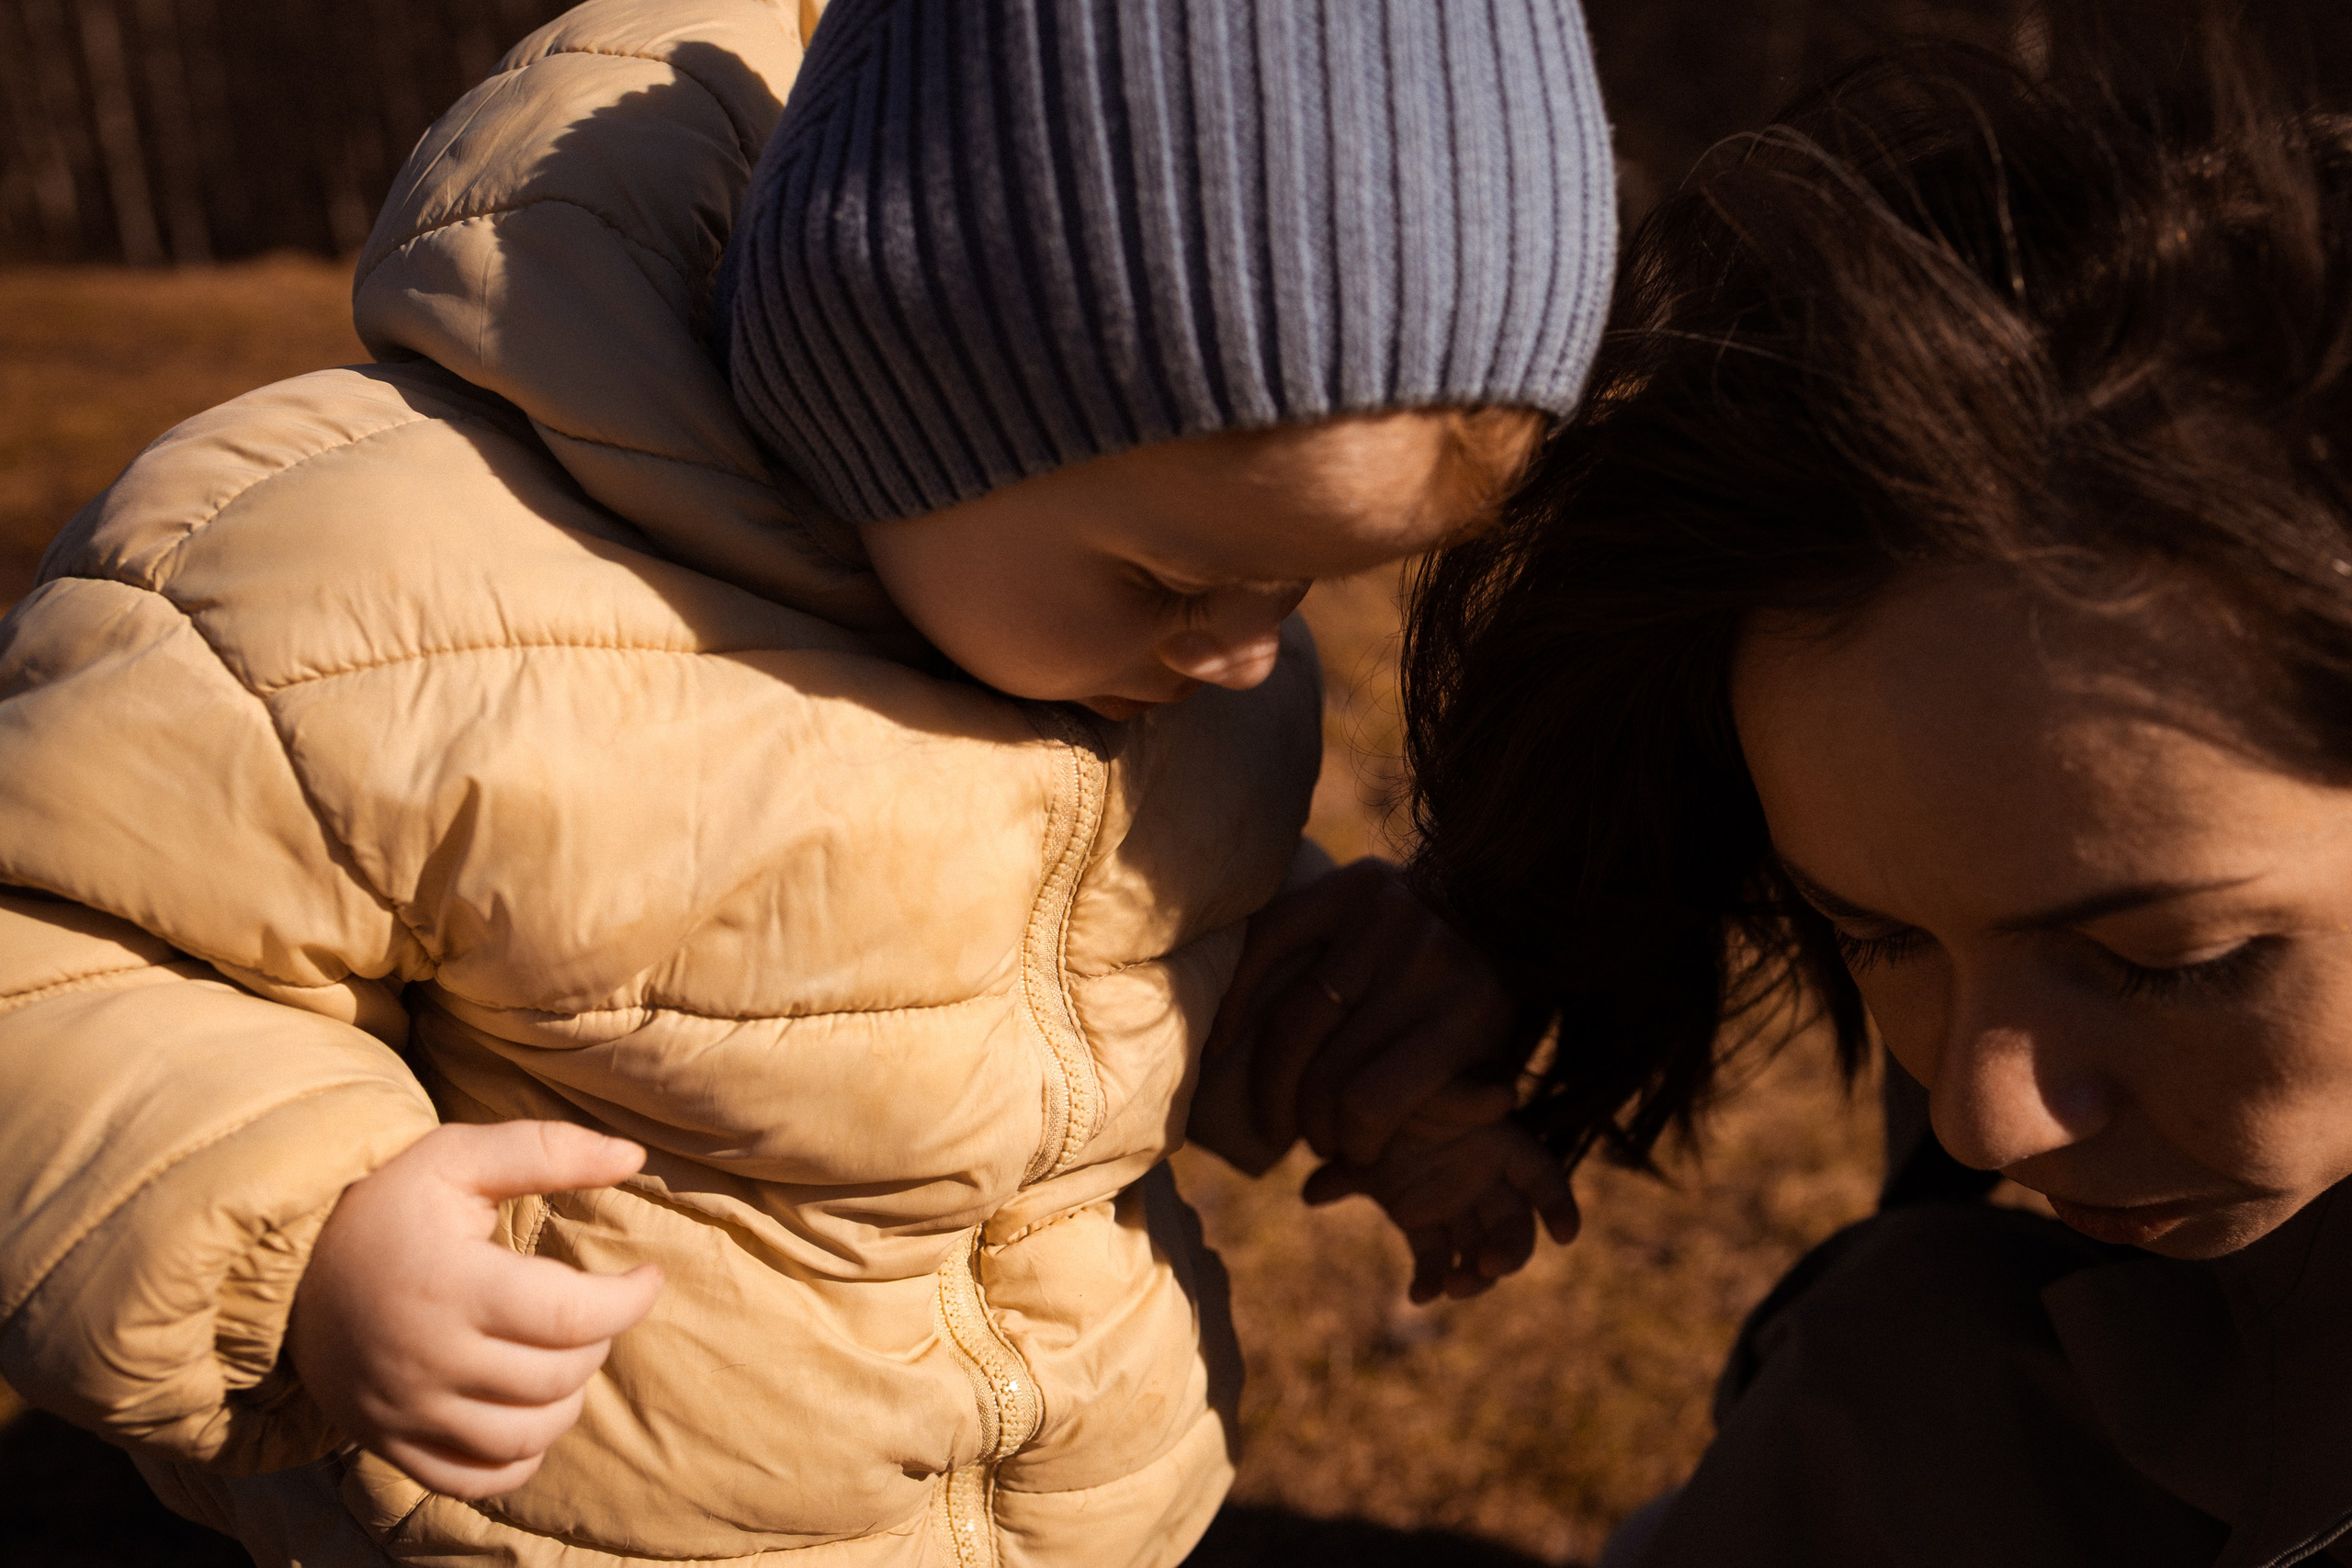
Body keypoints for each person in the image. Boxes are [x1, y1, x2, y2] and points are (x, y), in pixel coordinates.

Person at [0, 1, 1614, 1564]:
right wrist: (307, 1246)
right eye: (1177, 579)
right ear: (904, 394)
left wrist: (1369, 1066)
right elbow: (58, 962)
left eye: (1299, 590)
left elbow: (1127, 974)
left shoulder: (1131, 656)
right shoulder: (379, 599)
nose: (1248, 656)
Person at [1397, 5, 2352, 1564]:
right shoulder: (1925, 1392)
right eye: (1879, 936)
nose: (1984, 1117)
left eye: (2168, 961)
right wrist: (1502, 943)